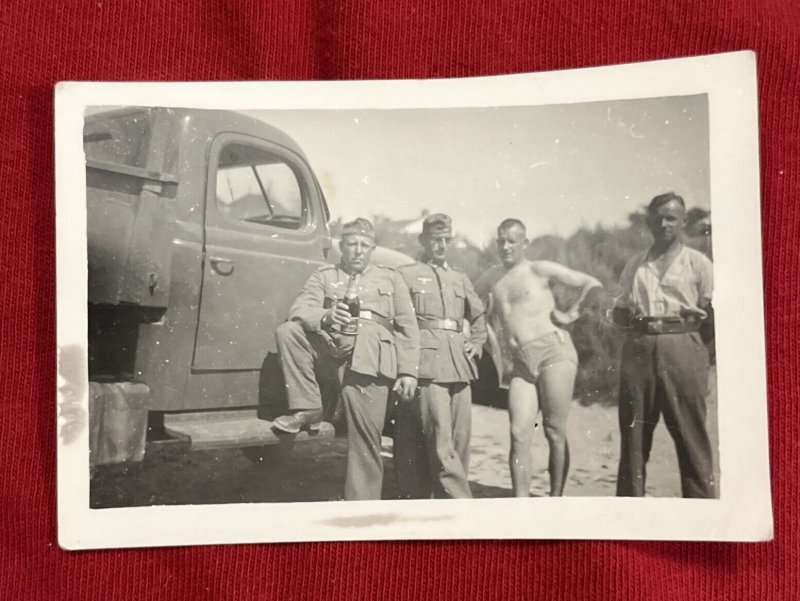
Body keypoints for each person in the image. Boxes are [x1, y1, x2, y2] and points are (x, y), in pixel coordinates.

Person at [272, 218, 420, 501]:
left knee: (365, 442)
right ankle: (308, 408)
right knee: (288, 331)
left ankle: (360, 510)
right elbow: (300, 309)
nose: (358, 251)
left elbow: (408, 328)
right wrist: (326, 316)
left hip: (370, 363)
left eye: (364, 245)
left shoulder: (391, 278)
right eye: (351, 244)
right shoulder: (325, 275)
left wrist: (408, 372)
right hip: (329, 358)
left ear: (372, 248)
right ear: (342, 246)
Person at [476, 218, 601, 497]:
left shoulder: (538, 269)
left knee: (554, 430)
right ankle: (521, 502)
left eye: (512, 241)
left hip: (553, 354)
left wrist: (572, 314)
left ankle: (555, 498)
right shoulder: (490, 277)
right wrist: (490, 342)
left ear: (525, 243)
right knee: (519, 432)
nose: (505, 246)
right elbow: (470, 306)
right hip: (520, 364)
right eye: (501, 240)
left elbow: (591, 283)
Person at [612, 192, 716, 498]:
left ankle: (702, 513)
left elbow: (714, 314)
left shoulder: (698, 263)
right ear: (648, 222)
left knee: (691, 435)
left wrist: (692, 344)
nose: (665, 224)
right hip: (640, 348)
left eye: (672, 217)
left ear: (683, 221)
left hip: (683, 345)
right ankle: (629, 513)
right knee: (633, 437)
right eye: (658, 218)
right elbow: (619, 310)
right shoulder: (635, 264)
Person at [393, 214, 487, 499]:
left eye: (447, 239)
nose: (442, 245)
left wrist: (479, 341)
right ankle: (463, 505)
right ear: (424, 241)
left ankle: (445, 506)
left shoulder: (459, 277)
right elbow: (401, 322)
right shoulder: (406, 274)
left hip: (460, 365)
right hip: (428, 366)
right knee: (440, 442)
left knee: (460, 444)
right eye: (436, 240)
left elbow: (479, 314)